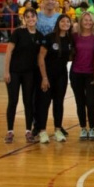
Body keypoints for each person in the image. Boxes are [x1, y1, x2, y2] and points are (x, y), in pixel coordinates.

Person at [34, 14, 73, 144]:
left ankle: (57, 130)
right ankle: (42, 131)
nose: (65, 23)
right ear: (58, 23)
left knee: (58, 103)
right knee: (44, 103)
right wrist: (44, 77)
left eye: (68, 21)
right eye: (63, 21)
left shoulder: (70, 39)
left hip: (61, 75)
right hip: (47, 75)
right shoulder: (49, 37)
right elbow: (41, 58)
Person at [2, 8, 39, 143]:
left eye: (33, 16)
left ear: (36, 18)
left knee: (28, 101)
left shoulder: (39, 35)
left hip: (29, 73)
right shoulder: (18, 32)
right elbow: (8, 52)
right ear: (24, 18)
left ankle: (28, 131)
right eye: (27, 17)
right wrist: (6, 71)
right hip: (14, 72)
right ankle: (10, 131)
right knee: (13, 101)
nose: (30, 19)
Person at [71, 11, 94, 141]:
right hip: (76, 73)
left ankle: (93, 128)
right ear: (81, 22)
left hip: (91, 74)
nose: (88, 22)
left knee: (90, 102)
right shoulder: (75, 36)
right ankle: (83, 128)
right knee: (80, 102)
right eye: (85, 20)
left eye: (90, 20)